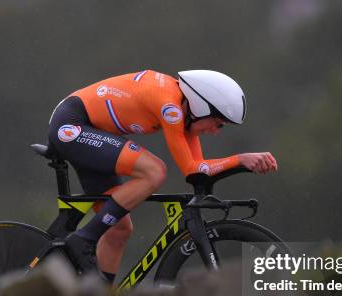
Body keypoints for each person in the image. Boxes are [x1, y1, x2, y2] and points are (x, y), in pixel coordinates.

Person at [46, 70, 278, 284]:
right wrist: (240, 160)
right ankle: (84, 238)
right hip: (73, 126)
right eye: (218, 123)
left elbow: (199, 171)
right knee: (154, 171)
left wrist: (240, 163)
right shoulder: (171, 107)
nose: (216, 131)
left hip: (90, 131)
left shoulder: (186, 113)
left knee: (118, 230)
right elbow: (191, 169)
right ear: (201, 107)